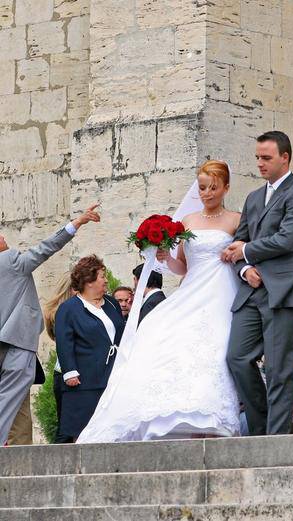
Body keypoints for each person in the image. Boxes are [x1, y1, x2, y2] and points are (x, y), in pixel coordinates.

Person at [76, 160, 242, 443]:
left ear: (225, 188)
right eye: (202, 188)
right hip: (193, 287)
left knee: (215, 349)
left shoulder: (237, 220)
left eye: (213, 188)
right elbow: (184, 268)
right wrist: (166, 258)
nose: (207, 193)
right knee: (161, 333)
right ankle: (179, 413)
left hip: (222, 290)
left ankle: (213, 418)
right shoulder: (188, 222)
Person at [224, 131, 293, 436]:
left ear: (285, 157)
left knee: (278, 369)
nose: (260, 164)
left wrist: (247, 251)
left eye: (267, 158)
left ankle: (275, 439)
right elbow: (239, 241)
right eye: (258, 158)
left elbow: (287, 239)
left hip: (284, 291)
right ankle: (263, 424)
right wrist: (244, 268)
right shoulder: (252, 197)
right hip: (251, 291)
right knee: (237, 358)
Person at [0, 204, 100, 445]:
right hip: (17, 343)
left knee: (16, 407)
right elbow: (45, 248)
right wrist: (76, 223)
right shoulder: (10, 261)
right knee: (6, 405)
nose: (4, 237)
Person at [55, 255, 125, 442]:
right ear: (89, 280)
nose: (106, 280)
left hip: (112, 373)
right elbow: (64, 341)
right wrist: (69, 371)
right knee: (80, 428)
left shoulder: (111, 303)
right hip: (85, 378)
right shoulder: (69, 308)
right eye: (102, 276)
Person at [43, 274, 75, 443]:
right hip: (67, 372)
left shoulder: (55, 311)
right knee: (66, 429)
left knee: (66, 427)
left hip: (61, 370)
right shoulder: (64, 312)